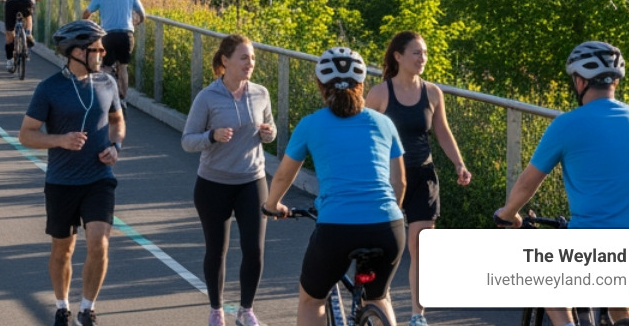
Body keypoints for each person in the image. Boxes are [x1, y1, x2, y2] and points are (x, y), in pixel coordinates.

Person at [495, 42, 629, 326]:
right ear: (615, 81)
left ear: (581, 81)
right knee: (621, 302)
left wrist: (508, 214)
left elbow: (527, 183)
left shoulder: (566, 124)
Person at [265, 47, 405, 326]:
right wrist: (386, 215)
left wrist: (272, 206)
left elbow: (282, 176)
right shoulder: (384, 123)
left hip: (337, 228)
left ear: (320, 85)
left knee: (311, 300)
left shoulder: (310, 124)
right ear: (362, 84)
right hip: (388, 225)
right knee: (378, 297)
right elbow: (399, 182)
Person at [18, 20, 125, 326]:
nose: (103, 54)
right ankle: (63, 306)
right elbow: (26, 134)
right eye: (97, 49)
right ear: (78, 52)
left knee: (99, 242)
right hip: (62, 181)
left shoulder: (107, 83)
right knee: (62, 249)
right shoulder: (49, 89)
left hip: (99, 178)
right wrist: (60, 140)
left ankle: (87, 309)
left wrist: (116, 146)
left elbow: (118, 121)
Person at [366, 31, 472, 326]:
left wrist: (459, 163)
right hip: (388, 179)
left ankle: (417, 315)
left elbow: (442, 131)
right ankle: (375, 300)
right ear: (398, 56)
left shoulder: (433, 92)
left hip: (424, 176)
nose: (422, 58)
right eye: (416, 53)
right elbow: (361, 133)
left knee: (421, 246)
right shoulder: (380, 93)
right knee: (385, 245)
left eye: (424, 53)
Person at [182, 34, 276, 326]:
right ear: (225, 61)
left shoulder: (260, 93)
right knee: (217, 249)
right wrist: (212, 136)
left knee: (254, 249)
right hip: (214, 184)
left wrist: (268, 134)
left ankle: (246, 310)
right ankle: (216, 310)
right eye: (244, 58)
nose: (250, 64)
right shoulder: (207, 97)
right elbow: (187, 141)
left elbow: (270, 127)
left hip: (252, 181)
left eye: (252, 58)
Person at [83, 0, 147, 101]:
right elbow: (142, 14)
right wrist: (136, 22)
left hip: (108, 35)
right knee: (123, 66)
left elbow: (87, 12)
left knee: (106, 65)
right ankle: (123, 97)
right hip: (126, 34)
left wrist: (86, 24)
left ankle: (105, 95)